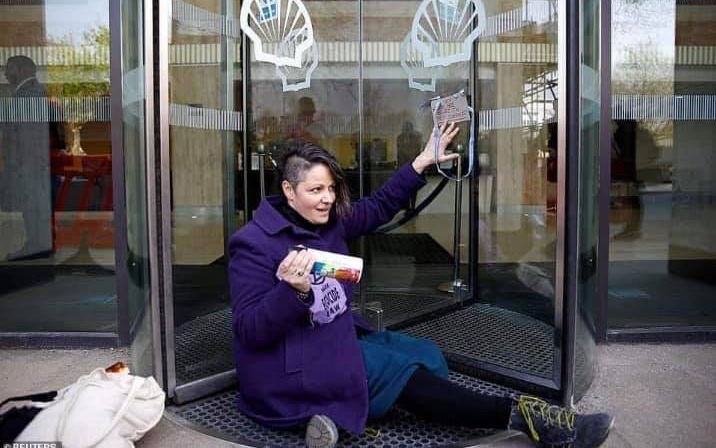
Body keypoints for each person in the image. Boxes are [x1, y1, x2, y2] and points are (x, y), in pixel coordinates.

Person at [228, 124, 613, 448]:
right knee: (403, 373)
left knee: (427, 356)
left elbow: (379, 205)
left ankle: (338, 410)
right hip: (289, 365)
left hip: (331, 337)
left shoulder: (327, 220)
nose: (328, 198)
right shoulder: (253, 243)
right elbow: (250, 330)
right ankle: (528, 419)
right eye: (316, 190)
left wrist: (422, 161)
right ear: (288, 190)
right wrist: (290, 292)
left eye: (331, 187)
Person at [0, 55, 54, 261]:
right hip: (30, 164)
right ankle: (36, 245)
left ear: (21, 70)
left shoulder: (28, 96)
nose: (5, 73)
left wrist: (19, 165)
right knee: (31, 207)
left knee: (33, 207)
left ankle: (36, 247)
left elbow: (25, 137)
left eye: (8, 68)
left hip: (28, 165)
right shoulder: (31, 93)